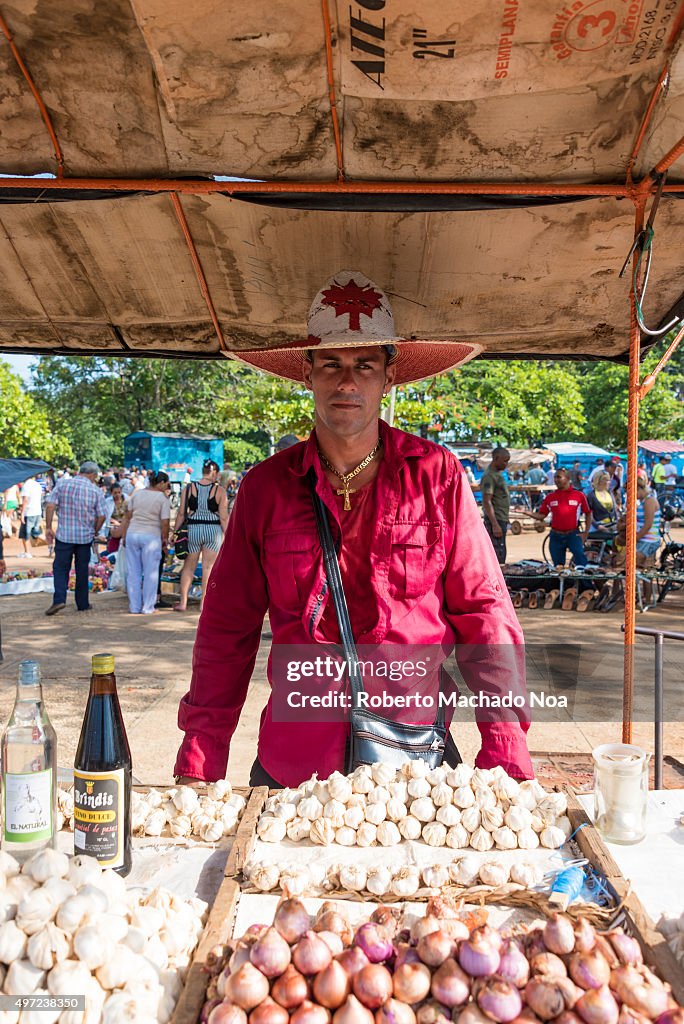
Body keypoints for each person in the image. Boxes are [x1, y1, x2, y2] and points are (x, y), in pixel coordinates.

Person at [173, 270, 533, 788]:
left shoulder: (436, 474)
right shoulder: (266, 487)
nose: (347, 382)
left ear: (388, 377)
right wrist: (201, 759)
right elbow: (226, 630)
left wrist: (506, 752)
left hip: (413, 762)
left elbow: (484, 613)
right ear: (307, 374)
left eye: (364, 365)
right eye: (332, 364)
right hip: (293, 763)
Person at [44, 461, 107, 616]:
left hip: (64, 535)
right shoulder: (95, 490)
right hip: (85, 538)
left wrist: (48, 527)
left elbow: (50, 505)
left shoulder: (62, 484)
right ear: (93, 474)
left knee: (60, 568)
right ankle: (82, 603)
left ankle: (59, 599)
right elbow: (102, 515)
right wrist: (95, 530)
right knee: (82, 569)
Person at [172, 460, 228, 612]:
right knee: (208, 568)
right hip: (213, 530)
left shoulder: (189, 488)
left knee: (188, 567)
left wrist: (175, 532)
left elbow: (181, 513)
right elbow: (223, 517)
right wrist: (229, 535)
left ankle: (183, 602)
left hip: (193, 529)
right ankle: (204, 604)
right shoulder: (220, 491)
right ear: (215, 473)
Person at [121, 471, 171, 614]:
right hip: (151, 537)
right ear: (161, 483)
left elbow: (128, 517)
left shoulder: (137, 494)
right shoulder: (162, 499)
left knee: (133, 573)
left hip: (132, 534)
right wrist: (164, 540)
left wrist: (124, 535)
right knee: (150, 573)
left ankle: (134, 607)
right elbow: (165, 522)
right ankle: (148, 607)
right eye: (166, 483)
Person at [530, 467, 592, 567]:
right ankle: (562, 583)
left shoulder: (579, 495)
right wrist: (526, 512)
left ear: (567, 478)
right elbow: (542, 515)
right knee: (558, 567)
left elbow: (588, 514)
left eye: (559, 477)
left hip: (573, 534)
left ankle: (585, 583)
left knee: (581, 562)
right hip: (555, 536)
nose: (556, 480)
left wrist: (586, 533)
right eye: (555, 477)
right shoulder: (550, 497)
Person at [480, 447, 511, 564]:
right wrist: (494, 524)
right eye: (504, 461)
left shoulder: (497, 475)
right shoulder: (489, 476)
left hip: (501, 519)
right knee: (497, 556)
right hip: (496, 519)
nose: (506, 464)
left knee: (501, 552)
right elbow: (487, 501)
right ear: (496, 458)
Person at [18, 476, 43, 557]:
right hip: (37, 511)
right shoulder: (37, 484)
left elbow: (25, 500)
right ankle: (50, 547)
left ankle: (27, 552)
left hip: (29, 512)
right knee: (36, 532)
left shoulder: (26, 485)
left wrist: (22, 513)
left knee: (25, 533)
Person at [104, 483, 128, 554]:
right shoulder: (107, 502)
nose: (117, 495)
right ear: (111, 493)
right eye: (115, 493)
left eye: (119, 492)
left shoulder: (127, 500)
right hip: (112, 528)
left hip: (125, 527)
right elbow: (106, 517)